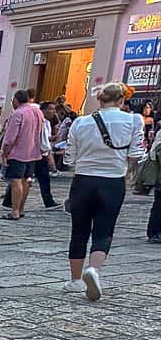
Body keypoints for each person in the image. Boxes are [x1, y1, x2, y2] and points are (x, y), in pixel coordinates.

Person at [65, 83, 144, 301]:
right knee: (104, 229)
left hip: (83, 180)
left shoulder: (80, 122)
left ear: (99, 100)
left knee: (79, 230)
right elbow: (136, 153)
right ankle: (94, 270)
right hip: (113, 181)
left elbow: (69, 157)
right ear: (121, 100)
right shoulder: (134, 120)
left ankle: (75, 280)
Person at [0, 89, 46, 220]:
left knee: (16, 181)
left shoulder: (18, 113)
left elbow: (10, 137)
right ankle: (21, 208)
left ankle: (14, 210)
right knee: (26, 181)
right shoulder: (37, 111)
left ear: (15, 100)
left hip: (18, 152)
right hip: (33, 151)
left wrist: (4, 151)